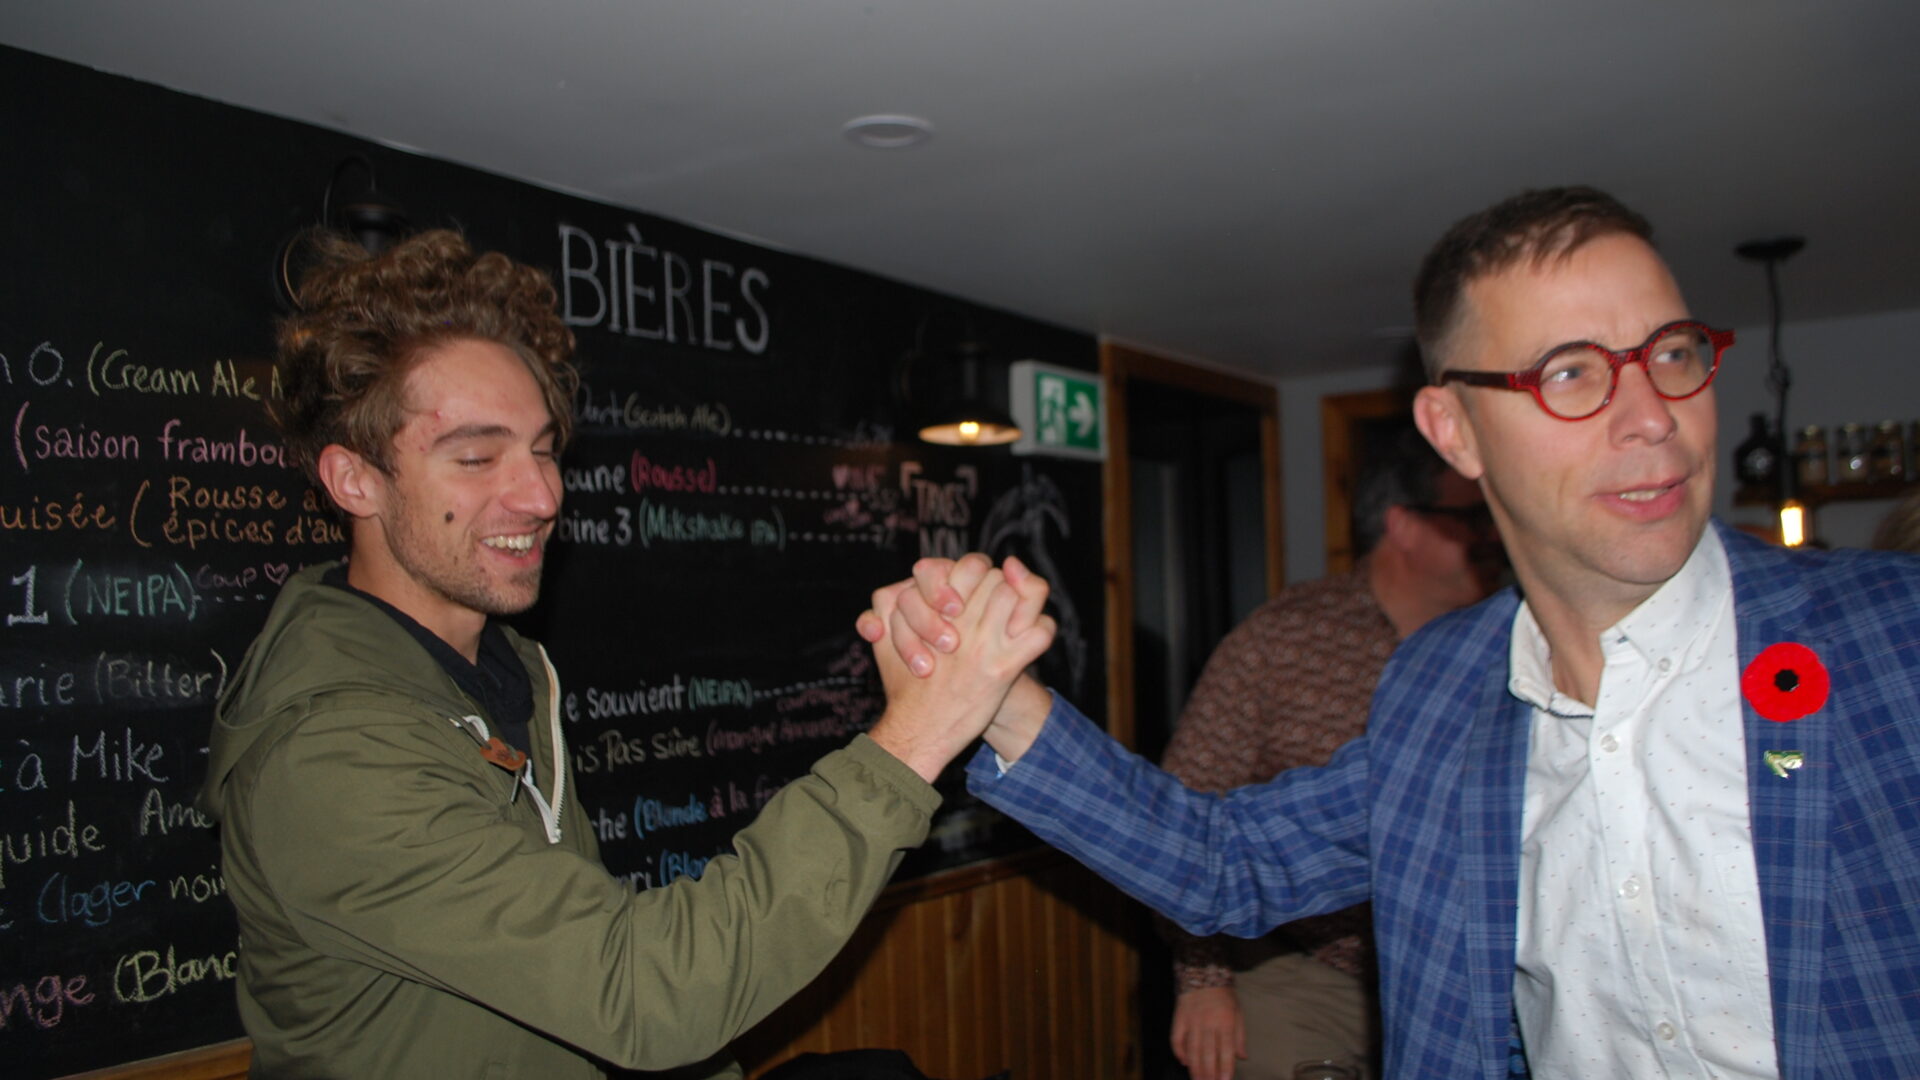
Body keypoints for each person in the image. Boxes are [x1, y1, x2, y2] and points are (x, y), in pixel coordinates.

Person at [866, 187, 1920, 1078]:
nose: (1651, 415)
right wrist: (1002, 700)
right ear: (1452, 432)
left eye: (1673, 353)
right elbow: (1224, 861)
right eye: (1571, 372)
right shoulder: (1439, 693)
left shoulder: (1890, 640)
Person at [198, 229, 1053, 1079]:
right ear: (355, 481)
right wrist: (915, 738)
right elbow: (645, 994)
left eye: (541, 450)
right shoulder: (330, 753)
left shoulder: (505, 671)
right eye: (475, 456)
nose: (539, 495)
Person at [1159, 429, 1502, 1080]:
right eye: (1472, 518)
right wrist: (1202, 979)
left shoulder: (1519, 639)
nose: (1493, 534)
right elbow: (1185, 807)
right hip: (1314, 976)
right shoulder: (1286, 638)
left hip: (1476, 981)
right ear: (1403, 525)